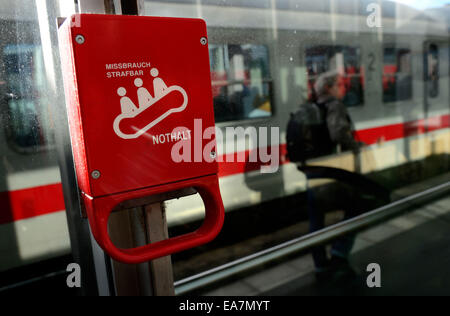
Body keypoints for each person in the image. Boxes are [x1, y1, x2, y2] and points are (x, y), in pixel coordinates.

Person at [305, 70, 364, 282]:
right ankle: (339, 254)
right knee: (357, 207)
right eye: (339, 85)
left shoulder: (309, 107)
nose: (343, 89)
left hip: (311, 172)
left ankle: (320, 265)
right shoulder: (335, 105)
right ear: (329, 87)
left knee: (316, 219)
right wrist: (357, 147)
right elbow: (338, 133)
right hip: (330, 171)